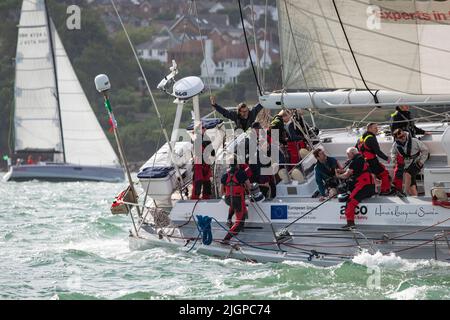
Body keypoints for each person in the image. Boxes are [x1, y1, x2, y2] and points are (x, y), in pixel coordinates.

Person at [390, 105, 431, 190]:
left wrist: (423, 132)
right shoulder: (396, 117)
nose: (408, 106)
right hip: (406, 153)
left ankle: (406, 193)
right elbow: (395, 133)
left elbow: (413, 127)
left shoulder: (407, 114)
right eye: (405, 105)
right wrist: (401, 142)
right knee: (408, 175)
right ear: (400, 106)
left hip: (413, 153)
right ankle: (407, 193)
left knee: (409, 175)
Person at [336, 147, 376, 229]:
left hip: (364, 185)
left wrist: (337, 176)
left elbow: (346, 175)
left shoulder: (355, 161)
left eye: (348, 154)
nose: (347, 156)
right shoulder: (361, 158)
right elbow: (354, 170)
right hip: (370, 186)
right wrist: (342, 172)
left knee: (350, 202)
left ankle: (350, 224)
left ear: (353, 153)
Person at [220, 159, 252, 245]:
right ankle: (226, 239)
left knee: (236, 206)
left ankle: (229, 219)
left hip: (228, 199)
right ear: (237, 165)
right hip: (237, 199)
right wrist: (249, 193)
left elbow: (221, 191)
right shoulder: (241, 173)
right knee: (239, 221)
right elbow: (249, 186)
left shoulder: (224, 175)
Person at [356, 123, 392, 195]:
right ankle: (385, 191)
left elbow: (357, 148)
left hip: (365, 162)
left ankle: (375, 190)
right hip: (372, 161)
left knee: (373, 175)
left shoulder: (361, 138)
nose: (377, 129)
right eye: (375, 128)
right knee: (385, 174)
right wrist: (387, 158)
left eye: (377, 128)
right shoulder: (371, 138)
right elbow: (378, 152)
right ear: (369, 129)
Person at [391, 129, 429, 196]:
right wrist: (393, 159)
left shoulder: (414, 141)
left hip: (417, 162)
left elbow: (425, 150)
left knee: (407, 174)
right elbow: (393, 153)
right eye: (400, 137)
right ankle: (415, 197)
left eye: (404, 135)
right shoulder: (395, 145)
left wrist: (421, 161)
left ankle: (404, 193)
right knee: (412, 183)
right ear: (396, 138)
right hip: (406, 164)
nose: (403, 137)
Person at [191, 127, 213, 200]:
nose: (204, 129)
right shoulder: (196, 139)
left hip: (206, 163)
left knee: (207, 182)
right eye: (202, 129)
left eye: (204, 129)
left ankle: (206, 198)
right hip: (199, 164)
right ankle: (194, 199)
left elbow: (212, 151)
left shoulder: (207, 139)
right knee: (198, 181)